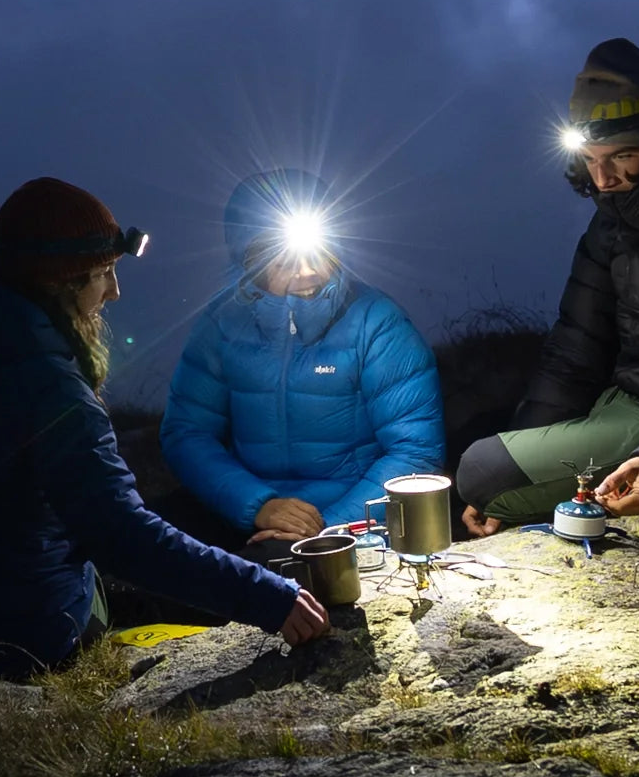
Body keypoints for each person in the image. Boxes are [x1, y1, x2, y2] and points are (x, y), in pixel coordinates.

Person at [0, 176, 328, 680]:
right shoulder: (51, 389)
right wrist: (267, 597)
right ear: (60, 282)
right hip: (11, 639)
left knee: (143, 531)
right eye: (104, 272)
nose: (114, 291)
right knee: (187, 568)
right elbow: (122, 537)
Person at [160, 169, 444, 558]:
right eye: (284, 261)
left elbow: (415, 451)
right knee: (151, 542)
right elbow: (186, 432)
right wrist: (256, 504)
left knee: (271, 568)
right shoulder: (221, 325)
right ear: (251, 262)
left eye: (318, 253)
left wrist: (326, 528)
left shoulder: (377, 322)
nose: (307, 271)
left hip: (346, 515)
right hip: (249, 509)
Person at [459, 38, 639, 536]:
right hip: (627, 404)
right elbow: (576, 350)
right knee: (484, 470)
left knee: (482, 469)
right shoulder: (608, 227)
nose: (603, 179)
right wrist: (512, 468)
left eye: (622, 156)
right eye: (591, 160)